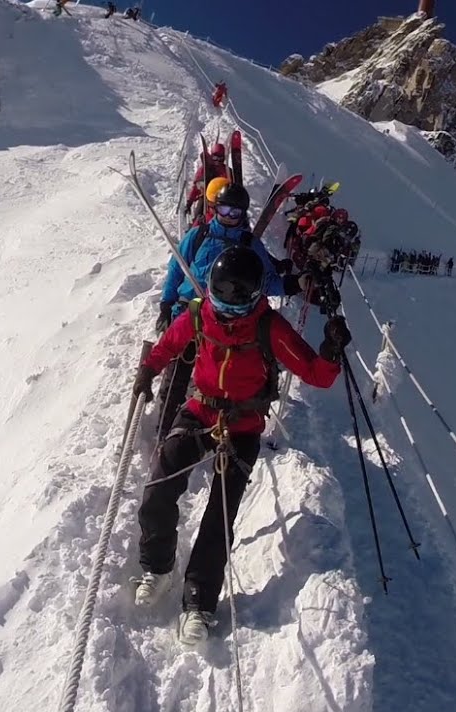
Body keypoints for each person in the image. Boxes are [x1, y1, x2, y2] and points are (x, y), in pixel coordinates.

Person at [132, 247, 352, 643]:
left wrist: (331, 350)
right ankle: (158, 567)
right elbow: (170, 342)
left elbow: (316, 375)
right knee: (161, 481)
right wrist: (149, 369)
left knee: (219, 514)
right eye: (220, 301)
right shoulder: (200, 314)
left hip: (243, 426)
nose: (227, 311)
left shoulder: (269, 327)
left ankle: (198, 601)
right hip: (201, 411)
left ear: (254, 299)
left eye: (235, 305)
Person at [156, 183, 305, 439]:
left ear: (243, 214)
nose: (229, 217)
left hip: (226, 316)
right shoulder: (199, 235)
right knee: (179, 365)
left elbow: (266, 280)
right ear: (215, 208)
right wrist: (166, 303)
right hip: (192, 309)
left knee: (223, 371)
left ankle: (225, 424)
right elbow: (176, 268)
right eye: (224, 209)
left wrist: (292, 285)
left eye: (236, 212)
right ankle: (164, 426)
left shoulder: (250, 245)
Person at [184, 143, 229, 217]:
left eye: (220, 159)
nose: (217, 161)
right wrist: (189, 202)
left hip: (222, 199)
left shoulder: (227, 171)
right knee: (198, 215)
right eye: (215, 158)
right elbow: (196, 188)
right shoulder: (203, 170)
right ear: (211, 157)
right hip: (206, 198)